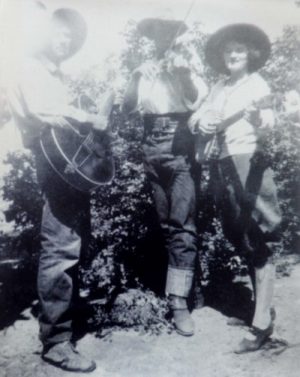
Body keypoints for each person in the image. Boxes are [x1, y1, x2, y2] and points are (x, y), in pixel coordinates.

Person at [7, 6, 111, 372]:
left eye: (69, 37)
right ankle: (56, 341)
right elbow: (42, 109)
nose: (64, 42)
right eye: (58, 34)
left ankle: (66, 320)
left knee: (73, 240)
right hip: (54, 166)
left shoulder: (53, 72)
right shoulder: (31, 67)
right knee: (61, 245)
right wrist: (90, 117)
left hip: (66, 165)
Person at [189, 24, 282, 353]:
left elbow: (269, 122)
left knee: (259, 235)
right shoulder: (217, 86)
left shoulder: (258, 86)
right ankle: (260, 310)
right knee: (237, 233)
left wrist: (258, 117)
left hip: (247, 161)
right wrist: (201, 122)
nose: (233, 55)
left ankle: (261, 324)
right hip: (219, 164)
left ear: (251, 55)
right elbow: (196, 118)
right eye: (228, 50)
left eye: (239, 50)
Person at [123, 18, 208, 336]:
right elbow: (129, 106)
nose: (161, 36)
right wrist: (134, 77)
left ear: (175, 32)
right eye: (155, 31)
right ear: (151, 36)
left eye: (167, 30)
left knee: (182, 224)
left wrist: (182, 73)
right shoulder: (143, 65)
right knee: (165, 224)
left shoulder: (189, 60)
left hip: (180, 142)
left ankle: (179, 304)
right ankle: (187, 288)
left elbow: (195, 98)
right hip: (150, 144)